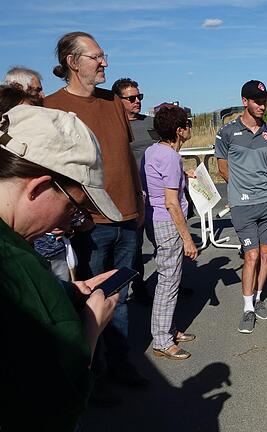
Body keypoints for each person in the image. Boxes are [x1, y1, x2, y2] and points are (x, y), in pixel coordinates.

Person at [0, 105, 122, 430]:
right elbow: (56, 405)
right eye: (73, 208)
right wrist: (92, 326)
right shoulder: (11, 262)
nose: (70, 225)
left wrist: (64, 291)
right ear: (38, 188)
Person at [44, 31, 148, 398]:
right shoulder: (51, 107)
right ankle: (94, 374)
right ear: (73, 62)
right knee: (88, 303)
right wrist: (74, 217)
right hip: (88, 224)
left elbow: (125, 158)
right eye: (96, 57)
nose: (104, 63)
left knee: (118, 299)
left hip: (127, 218)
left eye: (104, 56)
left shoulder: (113, 104)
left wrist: (139, 199)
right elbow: (51, 172)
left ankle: (119, 365)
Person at [215, 80, 267, 334]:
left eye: (264, 101)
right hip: (243, 204)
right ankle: (247, 309)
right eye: (257, 101)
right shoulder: (227, 132)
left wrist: (259, 188)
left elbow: (265, 167)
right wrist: (239, 189)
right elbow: (222, 168)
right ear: (245, 102)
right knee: (250, 255)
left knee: (266, 254)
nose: (262, 106)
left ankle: (258, 298)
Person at [142, 105, 199, 360]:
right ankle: (162, 340)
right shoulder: (171, 157)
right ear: (179, 131)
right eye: (187, 124)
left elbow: (157, 182)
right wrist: (188, 239)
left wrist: (183, 176)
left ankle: (168, 329)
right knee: (168, 282)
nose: (189, 128)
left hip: (154, 220)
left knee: (169, 278)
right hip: (168, 223)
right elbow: (171, 202)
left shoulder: (153, 151)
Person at [112, 77, 155, 303]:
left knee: (166, 243)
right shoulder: (113, 125)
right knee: (135, 245)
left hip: (156, 193)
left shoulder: (150, 124)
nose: (137, 101)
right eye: (131, 98)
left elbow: (164, 149)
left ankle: (173, 283)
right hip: (132, 195)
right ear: (119, 101)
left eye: (139, 97)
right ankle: (139, 288)